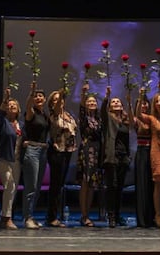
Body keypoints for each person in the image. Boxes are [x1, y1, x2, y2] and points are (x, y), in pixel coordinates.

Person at [136, 84, 160, 228]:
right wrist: (141, 98)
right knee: (159, 185)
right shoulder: (152, 119)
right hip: (157, 153)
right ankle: (158, 215)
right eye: (157, 101)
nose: (159, 104)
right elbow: (138, 115)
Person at [101, 86, 132, 228]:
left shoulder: (125, 121)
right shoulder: (108, 119)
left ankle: (118, 215)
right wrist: (106, 96)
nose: (115, 103)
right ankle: (111, 215)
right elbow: (102, 111)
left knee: (119, 187)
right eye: (113, 102)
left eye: (118, 102)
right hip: (111, 156)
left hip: (123, 157)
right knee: (111, 186)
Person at [46, 88, 77, 228]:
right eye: (56, 99)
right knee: (56, 185)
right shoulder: (54, 115)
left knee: (60, 185)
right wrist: (61, 92)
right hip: (57, 151)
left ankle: (55, 215)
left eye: (60, 99)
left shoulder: (68, 115)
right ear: (52, 103)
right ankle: (51, 217)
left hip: (68, 151)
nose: (59, 101)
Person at [21, 82, 50, 229]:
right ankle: (27, 217)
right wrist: (31, 93)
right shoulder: (31, 112)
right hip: (32, 150)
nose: (38, 98)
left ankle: (31, 215)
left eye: (41, 96)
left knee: (37, 186)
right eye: (36, 96)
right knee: (31, 186)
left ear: (45, 100)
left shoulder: (44, 115)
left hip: (43, 152)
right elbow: (27, 105)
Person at [0, 88, 24, 230]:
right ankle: (7, 218)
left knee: (12, 190)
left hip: (17, 160)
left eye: (14, 105)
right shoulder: (2, 121)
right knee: (10, 185)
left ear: (18, 109)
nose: (11, 106)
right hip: (3, 158)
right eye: (9, 105)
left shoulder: (21, 124)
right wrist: (6, 98)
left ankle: (4, 218)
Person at [76, 83, 102, 227]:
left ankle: (88, 214)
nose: (91, 103)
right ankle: (84, 215)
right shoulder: (84, 117)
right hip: (87, 150)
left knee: (92, 183)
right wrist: (83, 93)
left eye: (93, 101)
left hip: (97, 151)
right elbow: (80, 107)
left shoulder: (99, 119)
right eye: (89, 102)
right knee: (85, 182)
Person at [133, 92, 154, 228]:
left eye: (146, 103)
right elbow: (136, 113)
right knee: (141, 186)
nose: (144, 105)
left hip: (153, 153)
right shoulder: (137, 119)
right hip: (141, 153)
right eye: (141, 103)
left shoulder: (153, 119)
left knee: (151, 187)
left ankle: (151, 217)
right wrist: (140, 97)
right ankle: (141, 219)